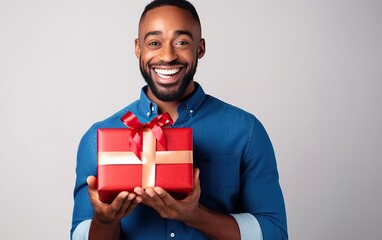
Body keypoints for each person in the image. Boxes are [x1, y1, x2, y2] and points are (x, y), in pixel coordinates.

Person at [71, 0, 288, 239]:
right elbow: (80, 234)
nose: (167, 56)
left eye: (182, 42)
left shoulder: (247, 132)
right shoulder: (97, 139)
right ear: (138, 49)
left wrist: (195, 215)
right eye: (154, 43)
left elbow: (274, 233)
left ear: (200, 48)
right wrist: (104, 219)